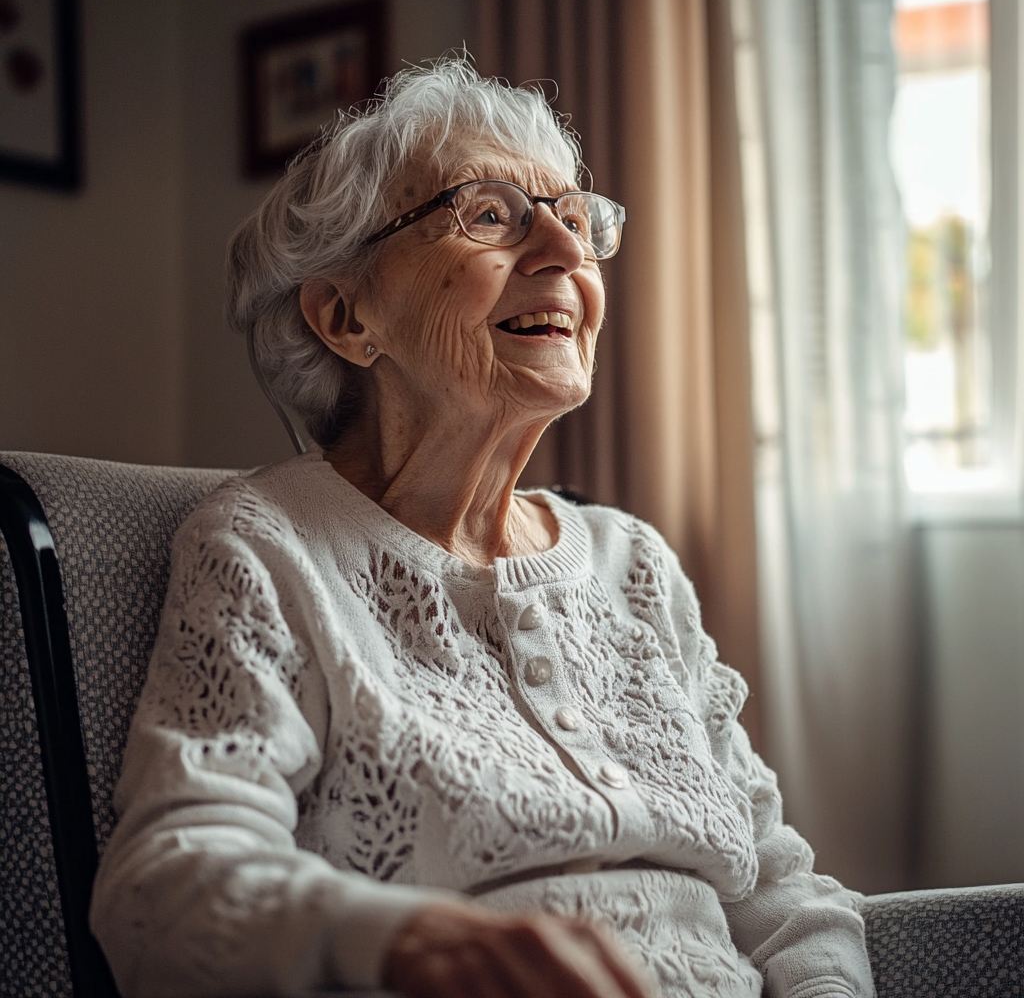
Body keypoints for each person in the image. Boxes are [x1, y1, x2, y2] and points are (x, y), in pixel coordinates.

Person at [90, 58, 874, 998]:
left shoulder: (635, 566)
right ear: (347, 316)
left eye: (575, 217)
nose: (564, 251)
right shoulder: (268, 546)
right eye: (492, 214)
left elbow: (784, 894)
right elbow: (164, 889)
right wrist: (404, 942)